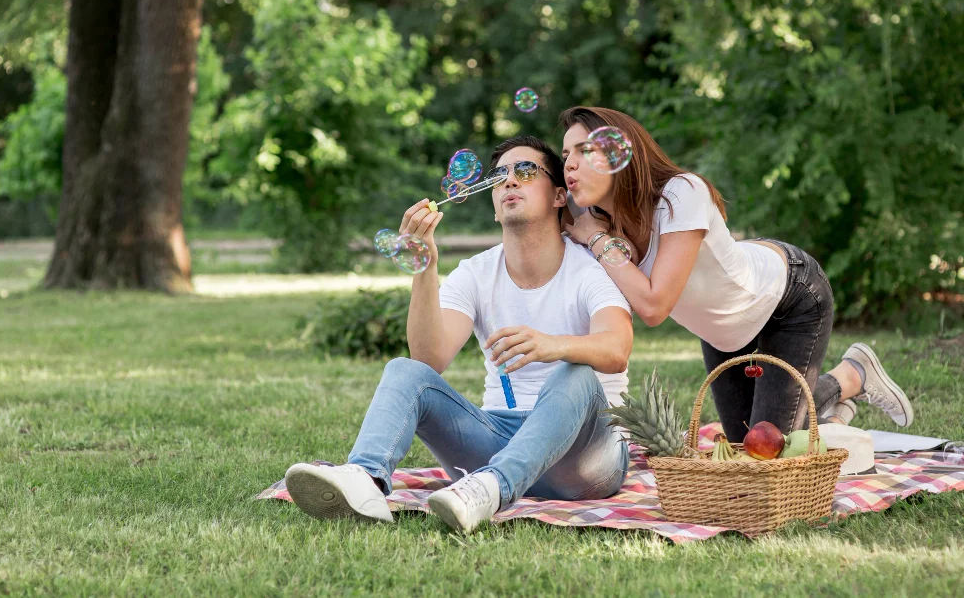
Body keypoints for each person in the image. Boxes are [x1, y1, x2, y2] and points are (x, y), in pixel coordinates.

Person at [285, 135, 635, 533]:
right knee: (404, 370)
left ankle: (490, 489)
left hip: (584, 458)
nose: (509, 181)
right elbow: (428, 360)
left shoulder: (588, 269)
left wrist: (553, 345)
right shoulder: (476, 272)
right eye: (499, 175)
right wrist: (424, 264)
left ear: (559, 196)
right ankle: (365, 480)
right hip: (494, 442)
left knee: (576, 372)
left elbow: (617, 347)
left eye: (524, 171)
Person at [559, 106, 913, 443]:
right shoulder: (605, 229)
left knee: (769, 446)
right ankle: (838, 397)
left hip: (788, 299)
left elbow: (653, 307)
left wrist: (595, 238)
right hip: (724, 331)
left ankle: (851, 376)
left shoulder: (681, 193)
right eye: (564, 156)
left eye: (584, 150)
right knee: (749, 441)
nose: (570, 164)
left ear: (624, 154)